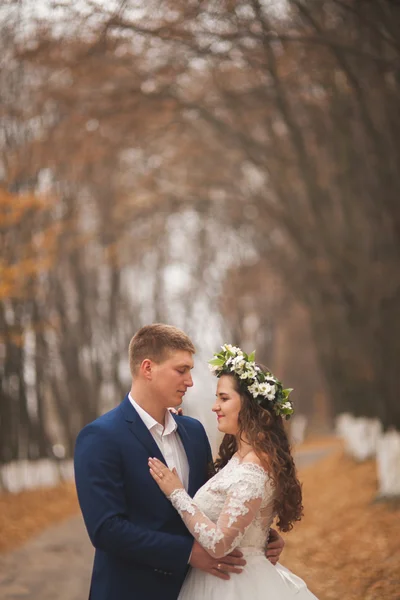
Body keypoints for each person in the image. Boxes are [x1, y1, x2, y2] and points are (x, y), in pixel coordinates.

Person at [74, 326, 284, 600]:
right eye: (181, 370)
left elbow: (214, 502)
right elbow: (106, 530)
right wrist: (187, 552)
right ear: (148, 368)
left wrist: (259, 536)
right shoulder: (101, 437)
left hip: (199, 589)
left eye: (190, 371)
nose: (190, 381)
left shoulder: (193, 432)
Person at [149, 343, 319, 600]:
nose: (215, 407)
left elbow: (219, 544)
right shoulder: (238, 458)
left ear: (250, 406)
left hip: (235, 585)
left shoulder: (252, 468)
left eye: (224, 398)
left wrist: (177, 493)